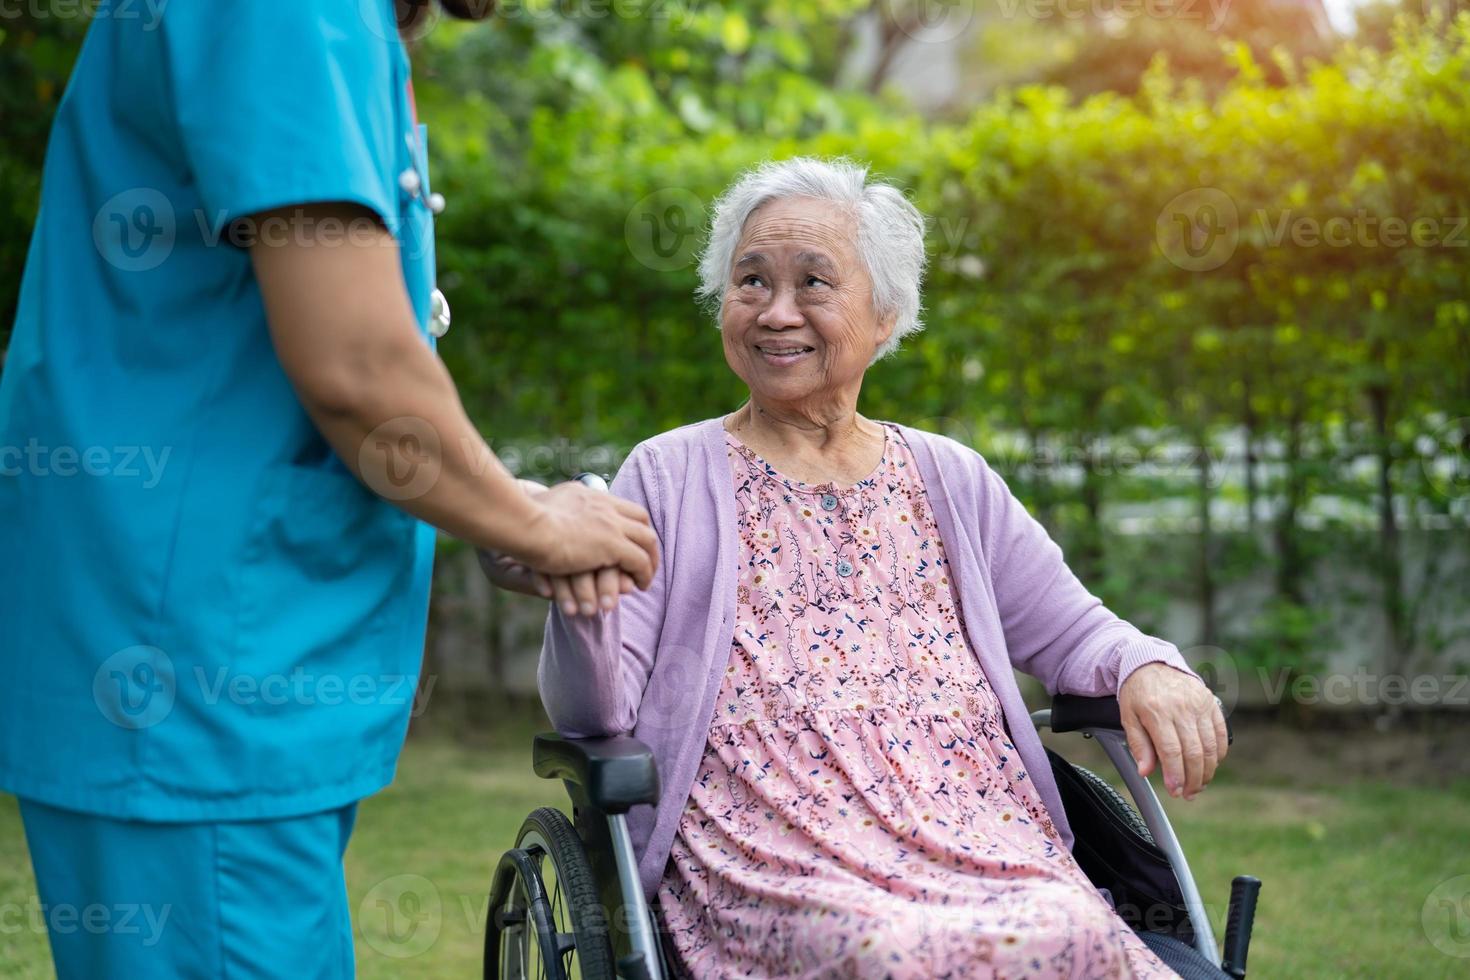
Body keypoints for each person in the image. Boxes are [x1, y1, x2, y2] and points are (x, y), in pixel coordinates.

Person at [0, 2, 656, 976]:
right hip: (194, 687)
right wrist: (533, 520)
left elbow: (263, 360)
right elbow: (354, 365)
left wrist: (490, 504)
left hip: (197, 672)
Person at [486, 158, 1230, 978]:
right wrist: (580, 597)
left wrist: (1147, 665)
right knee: (882, 952)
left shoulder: (952, 478)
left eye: (814, 283)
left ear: (886, 315)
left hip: (979, 836)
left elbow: (1076, 629)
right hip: (773, 854)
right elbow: (597, 713)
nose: (776, 313)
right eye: (751, 281)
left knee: (1073, 931)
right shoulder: (667, 474)